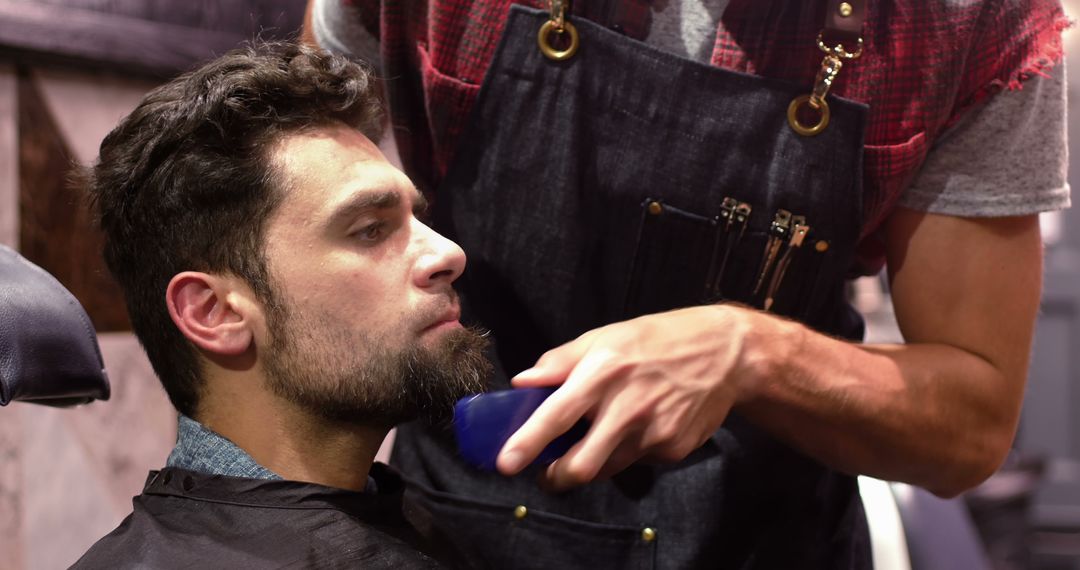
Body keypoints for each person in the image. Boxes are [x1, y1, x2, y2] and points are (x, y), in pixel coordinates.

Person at [303, 0, 1071, 568]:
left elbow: (967, 431)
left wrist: (753, 351)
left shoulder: (965, 23)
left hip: (764, 542)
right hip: (447, 529)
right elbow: (282, 238)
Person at [71, 41, 491, 569]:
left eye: (417, 218)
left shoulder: (404, 524)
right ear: (215, 312)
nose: (447, 254)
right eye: (370, 229)